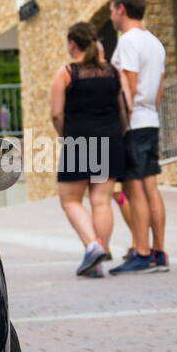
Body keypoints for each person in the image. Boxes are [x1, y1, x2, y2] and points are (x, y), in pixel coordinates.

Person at [49, 22, 125, 277]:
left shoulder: (67, 73)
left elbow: (56, 113)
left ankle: (92, 246)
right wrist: (119, 135)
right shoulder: (113, 72)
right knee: (101, 200)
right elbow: (124, 109)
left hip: (79, 139)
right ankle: (98, 260)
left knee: (70, 200)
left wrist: (65, 135)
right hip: (111, 139)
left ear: (72, 44)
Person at [107, 0, 168, 275]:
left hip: (133, 123)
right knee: (151, 187)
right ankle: (158, 251)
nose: (111, 17)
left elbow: (128, 87)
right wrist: (148, 111)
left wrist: (122, 123)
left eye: (111, 11)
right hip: (150, 119)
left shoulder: (128, 42)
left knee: (135, 189)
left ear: (121, 9)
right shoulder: (155, 43)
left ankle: (142, 253)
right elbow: (160, 88)